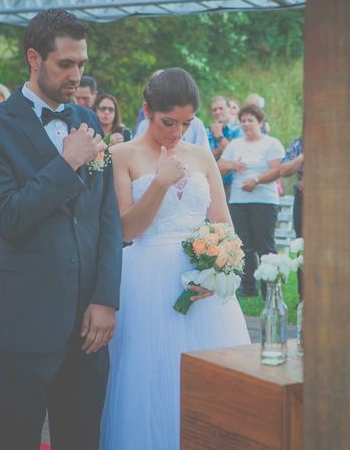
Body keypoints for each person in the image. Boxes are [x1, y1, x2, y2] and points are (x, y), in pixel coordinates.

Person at [0, 9, 122, 449]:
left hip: (89, 323)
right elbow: (9, 218)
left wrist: (105, 298)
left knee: (81, 440)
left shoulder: (89, 122)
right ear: (34, 58)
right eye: (66, 64)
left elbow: (106, 217)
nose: (76, 75)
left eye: (82, 64)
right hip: (27, 320)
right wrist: (67, 161)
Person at [101, 68, 250, 449]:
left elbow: (224, 226)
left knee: (212, 381)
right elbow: (125, 230)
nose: (176, 132)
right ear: (146, 110)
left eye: (186, 123)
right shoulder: (121, 155)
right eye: (168, 122)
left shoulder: (202, 155)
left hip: (203, 288)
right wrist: (160, 182)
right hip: (147, 280)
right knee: (152, 378)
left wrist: (220, 269)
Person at [218, 104, 285, 297]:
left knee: (265, 245)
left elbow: (277, 169)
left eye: (251, 120)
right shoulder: (235, 144)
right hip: (239, 201)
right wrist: (232, 164)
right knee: (242, 244)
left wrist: (256, 180)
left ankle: (269, 287)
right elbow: (220, 166)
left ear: (261, 122)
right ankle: (248, 287)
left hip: (264, 200)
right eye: (243, 120)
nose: (246, 124)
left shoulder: (271, 143)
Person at [280, 136, 304, 298]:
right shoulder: (298, 143)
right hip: (303, 197)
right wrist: (303, 157)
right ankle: (304, 297)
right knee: (301, 245)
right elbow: (284, 170)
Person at [207, 96, 243, 199]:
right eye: (214, 110)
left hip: (232, 184)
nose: (217, 112)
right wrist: (222, 148)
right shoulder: (207, 132)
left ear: (229, 109)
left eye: (221, 108)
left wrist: (219, 136)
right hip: (211, 183)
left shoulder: (239, 130)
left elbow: (237, 155)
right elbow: (204, 157)